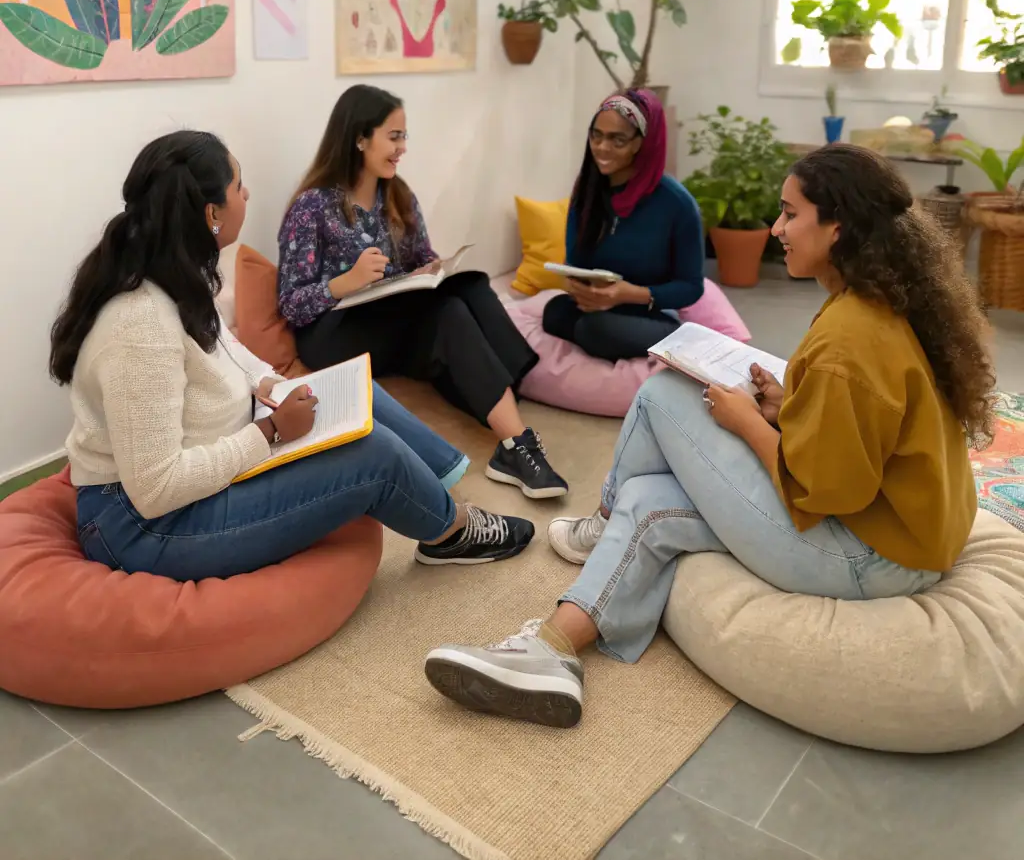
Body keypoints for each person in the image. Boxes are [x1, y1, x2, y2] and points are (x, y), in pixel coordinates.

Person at [423, 144, 994, 727]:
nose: (776, 229)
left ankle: (604, 520)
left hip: (872, 556)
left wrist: (747, 422)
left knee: (663, 392)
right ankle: (553, 650)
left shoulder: (850, 340)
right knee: (647, 504)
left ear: (838, 227)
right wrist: (783, 406)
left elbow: (826, 493)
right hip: (902, 536)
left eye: (791, 214)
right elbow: (859, 432)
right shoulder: (880, 305)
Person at [58, 131, 535, 581]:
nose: (248, 195)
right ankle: (449, 532)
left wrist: (270, 384)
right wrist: (269, 432)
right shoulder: (139, 325)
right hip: (143, 525)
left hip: (190, 478)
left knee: (353, 391)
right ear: (211, 214)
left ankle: (442, 493)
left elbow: (226, 349)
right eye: (238, 187)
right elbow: (156, 489)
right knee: (374, 457)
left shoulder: (173, 271)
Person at [277, 85, 568, 501]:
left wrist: (434, 268)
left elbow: (420, 257)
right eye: (394, 136)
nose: (402, 148)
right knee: (447, 314)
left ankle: (511, 398)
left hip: (390, 318)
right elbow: (291, 303)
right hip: (333, 333)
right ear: (360, 138)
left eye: (404, 137)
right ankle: (516, 444)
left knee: (469, 286)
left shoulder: (396, 194)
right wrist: (346, 281)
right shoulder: (312, 207)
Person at [541, 89, 704, 364]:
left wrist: (629, 294)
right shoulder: (588, 192)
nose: (602, 147)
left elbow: (691, 287)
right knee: (554, 312)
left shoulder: (677, 204)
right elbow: (575, 260)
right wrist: (580, 288)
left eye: (618, 139)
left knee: (596, 330)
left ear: (642, 143)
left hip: (651, 313)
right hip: (599, 307)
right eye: (597, 135)